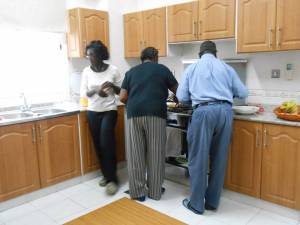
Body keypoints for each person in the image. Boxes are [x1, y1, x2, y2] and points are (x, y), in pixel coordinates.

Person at [177, 41, 248, 214]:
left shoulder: (192, 69)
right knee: (219, 158)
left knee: (198, 159)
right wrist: (225, 94)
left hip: (203, 112)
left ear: (200, 54)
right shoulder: (226, 68)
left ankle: (196, 204)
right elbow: (243, 93)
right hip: (225, 112)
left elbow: (181, 96)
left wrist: (195, 97)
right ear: (216, 53)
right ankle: (212, 202)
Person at [119, 47, 178, 202]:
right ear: (156, 57)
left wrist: (135, 101)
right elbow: (178, 90)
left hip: (134, 114)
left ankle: (138, 192)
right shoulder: (162, 69)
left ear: (142, 58)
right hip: (155, 114)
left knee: (135, 154)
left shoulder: (131, 72)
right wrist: (176, 98)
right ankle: (155, 191)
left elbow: (122, 97)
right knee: (156, 153)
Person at [80, 40, 122, 195]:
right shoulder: (86, 71)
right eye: (88, 54)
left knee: (107, 144)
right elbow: (84, 93)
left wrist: (112, 87)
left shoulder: (113, 70)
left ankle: (113, 180)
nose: (89, 57)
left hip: (109, 111)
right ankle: (106, 175)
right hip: (92, 111)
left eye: (92, 54)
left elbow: (121, 91)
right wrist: (97, 89)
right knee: (98, 145)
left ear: (100, 55)